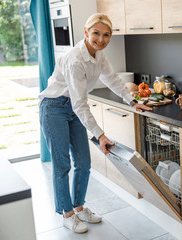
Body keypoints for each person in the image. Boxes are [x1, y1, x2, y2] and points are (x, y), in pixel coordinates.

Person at [39, 13, 152, 233]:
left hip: (73, 107)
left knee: (83, 163)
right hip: (54, 108)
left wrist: (132, 101)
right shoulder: (75, 59)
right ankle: (67, 214)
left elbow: (112, 79)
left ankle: (79, 208)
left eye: (106, 35)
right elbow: (80, 104)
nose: (101, 39)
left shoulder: (99, 56)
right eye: (96, 33)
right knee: (62, 164)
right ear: (86, 32)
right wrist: (100, 135)